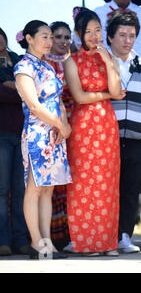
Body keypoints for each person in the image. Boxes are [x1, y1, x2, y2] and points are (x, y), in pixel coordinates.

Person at [64, 9, 125, 256]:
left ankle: (108, 242)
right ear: (78, 34)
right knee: (83, 183)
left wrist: (109, 63)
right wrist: (109, 95)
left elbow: (117, 87)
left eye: (97, 30)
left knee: (107, 183)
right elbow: (79, 96)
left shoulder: (110, 58)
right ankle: (86, 242)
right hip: (83, 127)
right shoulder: (71, 61)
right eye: (88, 31)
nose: (93, 35)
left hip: (107, 126)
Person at [14, 20, 72, 259]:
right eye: (45, 37)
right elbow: (34, 105)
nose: (49, 42)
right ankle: (36, 243)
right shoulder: (23, 66)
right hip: (37, 133)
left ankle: (48, 243)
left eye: (51, 37)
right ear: (29, 38)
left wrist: (64, 125)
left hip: (55, 134)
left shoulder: (48, 67)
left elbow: (58, 100)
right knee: (34, 188)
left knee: (48, 189)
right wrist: (60, 124)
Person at [106, 10, 141, 253]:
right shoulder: (102, 63)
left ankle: (124, 236)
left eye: (132, 35)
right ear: (110, 37)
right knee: (107, 187)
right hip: (106, 137)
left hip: (137, 138)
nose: (128, 40)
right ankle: (103, 236)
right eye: (122, 35)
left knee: (130, 188)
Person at [42, 21, 73, 251]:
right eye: (58, 37)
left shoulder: (76, 62)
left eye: (67, 37)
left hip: (77, 129)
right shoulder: (43, 64)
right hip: (51, 128)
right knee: (52, 185)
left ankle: (72, 235)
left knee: (71, 183)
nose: (63, 41)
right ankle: (51, 237)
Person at [0, 27, 29, 256]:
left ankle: (21, 239)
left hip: (22, 133)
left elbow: (30, 89)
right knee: (2, 190)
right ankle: (3, 241)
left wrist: (14, 88)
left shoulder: (19, 60)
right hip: (1, 135)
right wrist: (16, 90)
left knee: (21, 190)